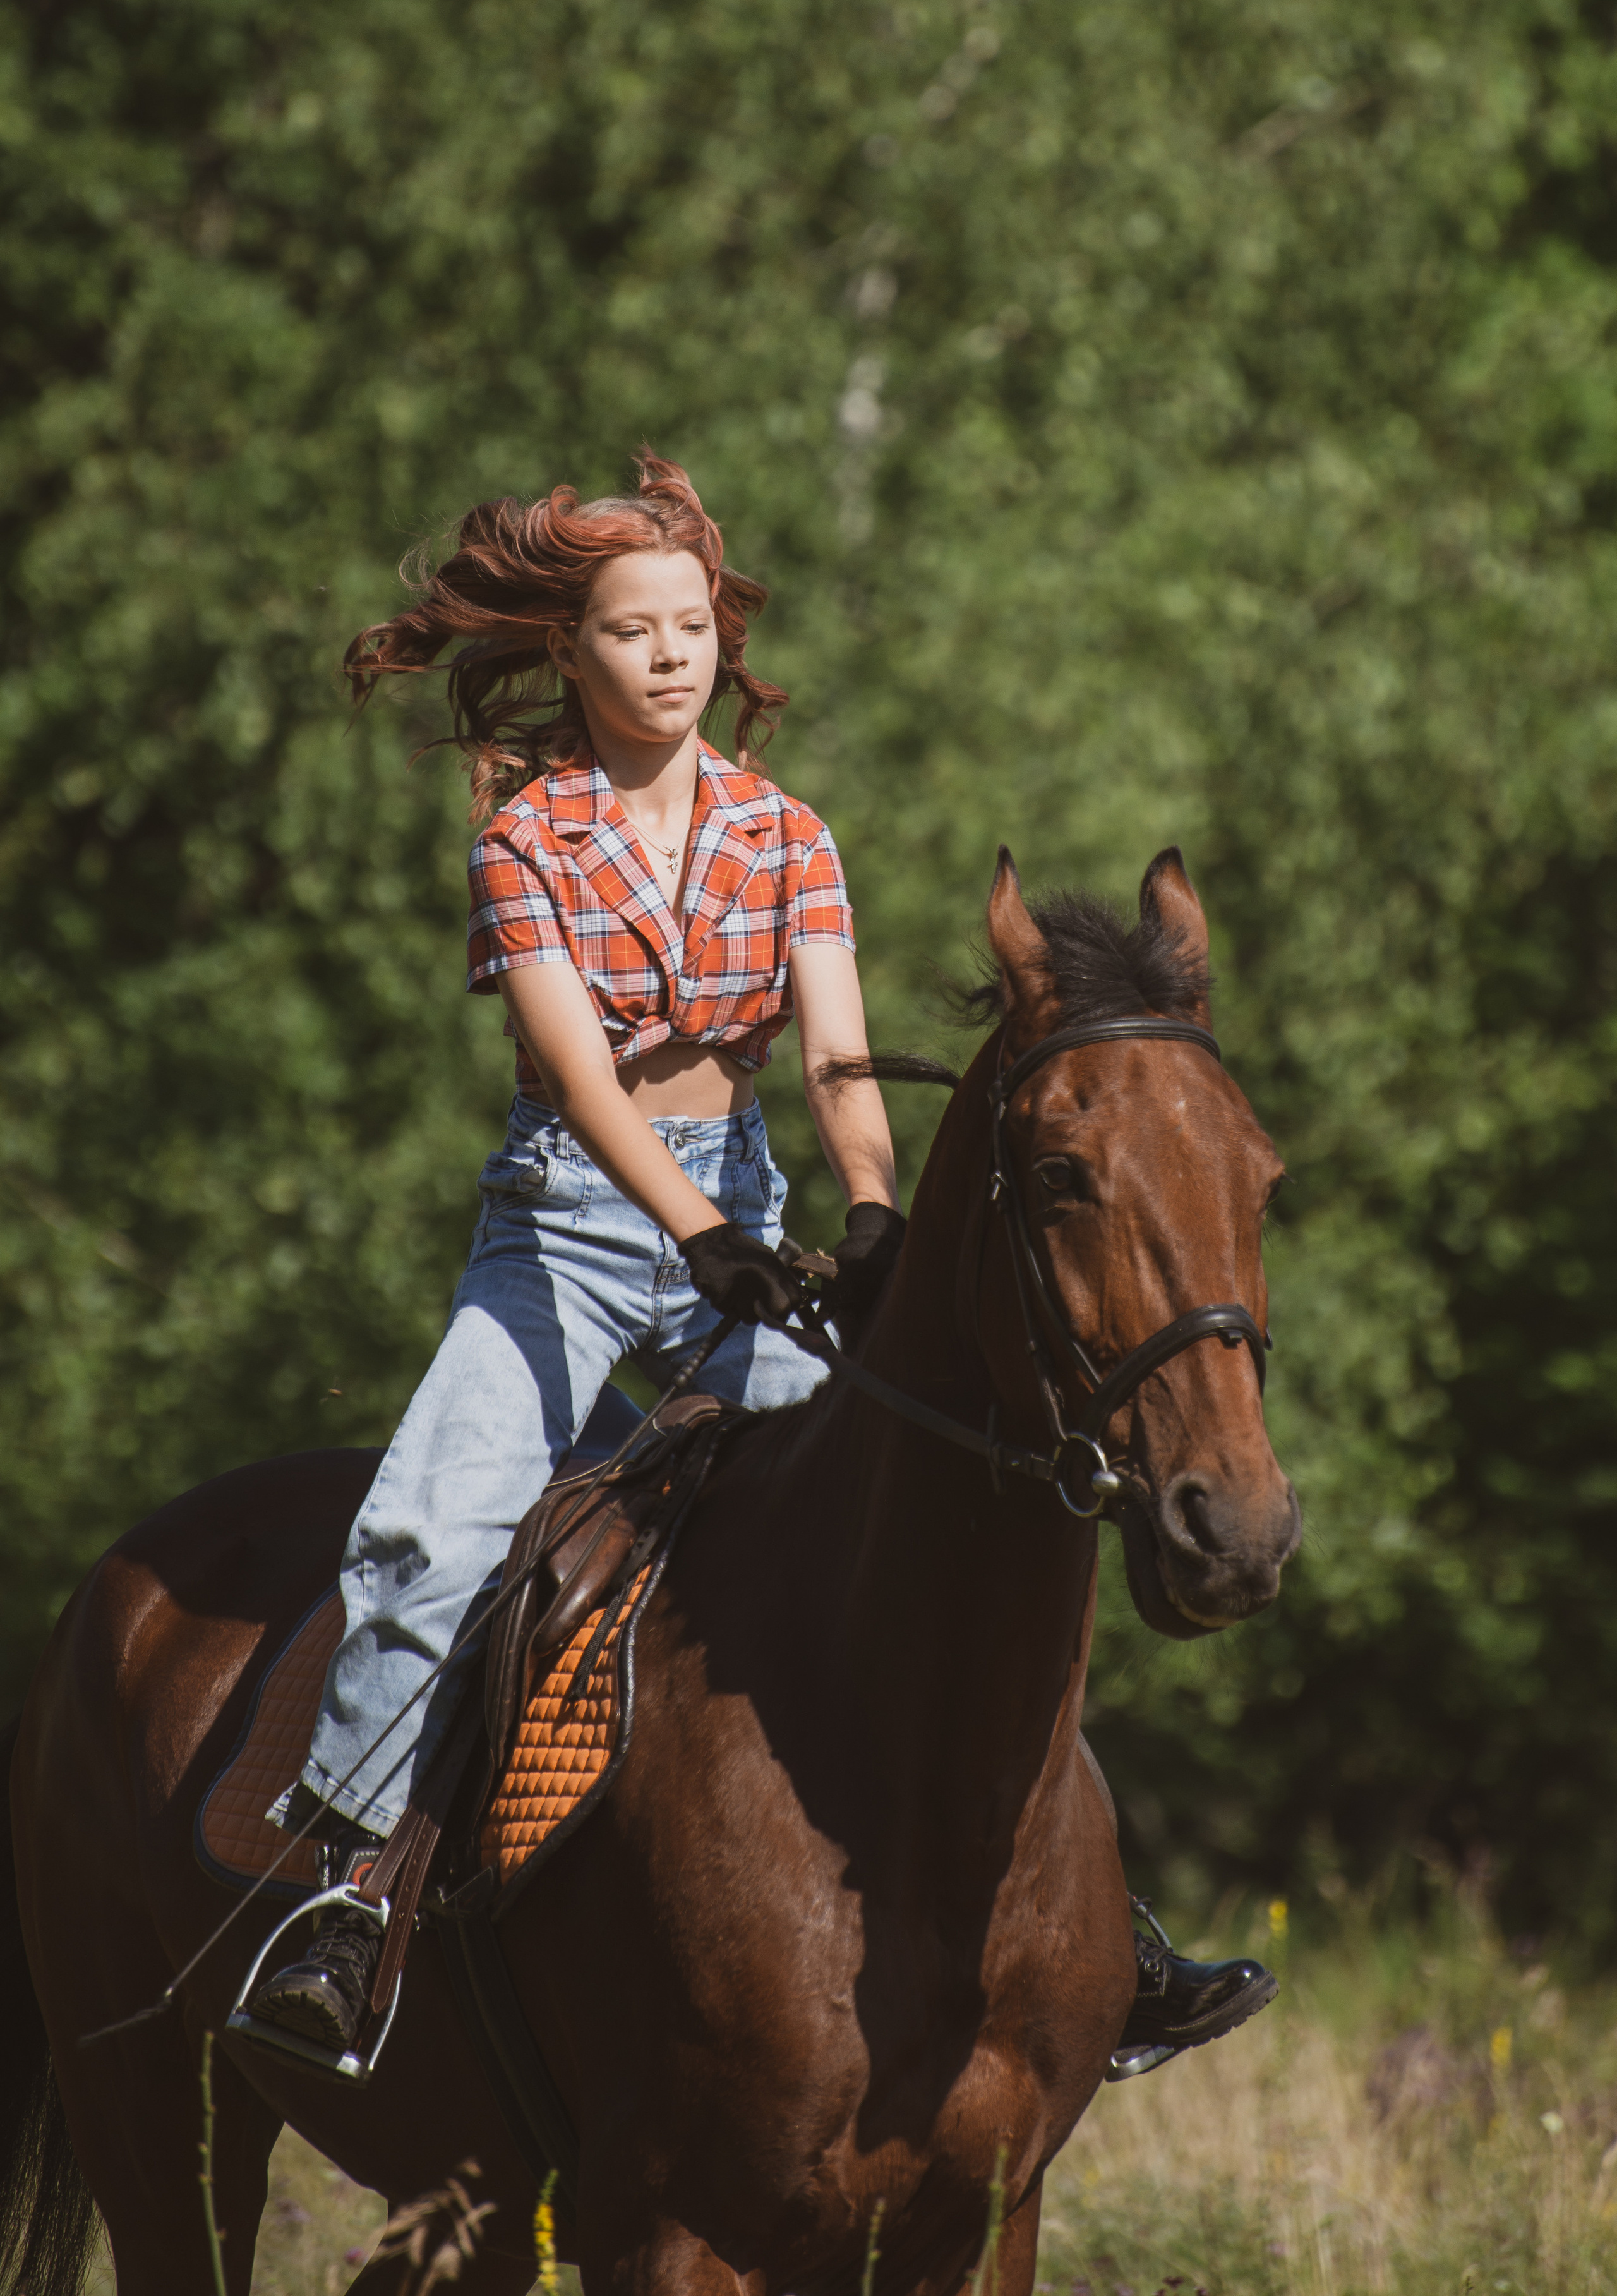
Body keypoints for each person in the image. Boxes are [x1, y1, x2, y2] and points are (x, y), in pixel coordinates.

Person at [243, 452, 1273, 2075]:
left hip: (746, 1212)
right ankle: (348, 1893)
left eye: (690, 627)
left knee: (924, 1516)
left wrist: (865, 1210)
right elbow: (581, 1079)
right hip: (566, 1237)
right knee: (426, 1528)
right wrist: (700, 1236)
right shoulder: (526, 841)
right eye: (630, 630)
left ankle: (1099, 1920)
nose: (669, 655)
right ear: (570, 650)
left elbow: (839, 1059)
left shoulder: (784, 833)